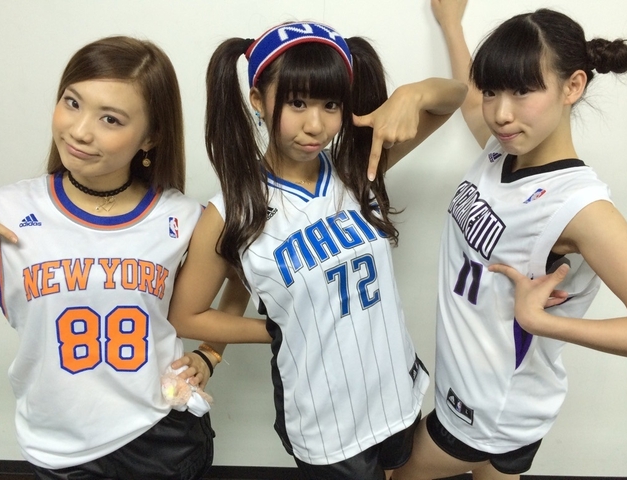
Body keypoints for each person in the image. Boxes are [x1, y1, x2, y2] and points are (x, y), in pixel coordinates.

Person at [167, 20, 467, 480]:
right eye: (297, 102)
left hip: (393, 388)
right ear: (257, 100)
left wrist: (415, 92)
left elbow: (455, 97)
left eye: (331, 105)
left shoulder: (358, 167)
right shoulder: (231, 209)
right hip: (325, 415)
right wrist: (276, 329)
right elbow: (186, 315)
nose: (316, 125)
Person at [392, 2, 627, 479]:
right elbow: (469, 97)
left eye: (523, 91)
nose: (501, 113)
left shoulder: (580, 208)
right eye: (493, 91)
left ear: (573, 86)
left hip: (484, 410)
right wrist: (451, 24)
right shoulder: (500, 150)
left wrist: (540, 322)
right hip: (511, 401)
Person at [0, 36, 221, 480]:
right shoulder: (7, 211)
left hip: (163, 440)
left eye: (110, 119)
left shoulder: (184, 217)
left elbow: (248, 270)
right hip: (58, 445)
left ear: (151, 136)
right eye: (72, 102)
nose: (80, 131)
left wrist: (210, 353)